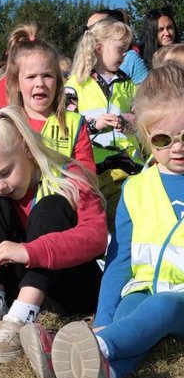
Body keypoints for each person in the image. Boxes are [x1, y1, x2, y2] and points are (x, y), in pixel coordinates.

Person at [21, 64, 184, 378]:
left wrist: (97, 336)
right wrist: (103, 318)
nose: (178, 147)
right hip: (142, 288)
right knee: (130, 318)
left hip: (179, 301)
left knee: (161, 308)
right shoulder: (135, 189)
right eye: (163, 139)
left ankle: (92, 348)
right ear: (145, 135)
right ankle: (103, 377)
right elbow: (120, 259)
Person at [0, 106, 107, 364]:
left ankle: (22, 314)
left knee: (51, 206)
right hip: (16, 287)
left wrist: (29, 251)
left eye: (4, 172)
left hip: (72, 287)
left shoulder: (68, 176)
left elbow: (96, 236)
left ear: (25, 146)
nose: (0, 185)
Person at [66, 19, 143, 229]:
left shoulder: (128, 84)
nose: (125, 54)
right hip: (96, 167)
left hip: (131, 165)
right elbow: (67, 123)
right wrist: (94, 124)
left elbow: (140, 120)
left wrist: (126, 123)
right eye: (120, 49)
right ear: (99, 48)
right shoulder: (75, 85)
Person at [6, 22, 95, 173]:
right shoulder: (8, 125)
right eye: (31, 77)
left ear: (58, 81)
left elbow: (87, 175)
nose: (40, 83)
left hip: (65, 196)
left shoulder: (75, 124)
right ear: (16, 83)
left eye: (47, 75)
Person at [86, 8, 148, 85]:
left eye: (94, 27)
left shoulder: (129, 58)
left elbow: (149, 93)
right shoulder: (83, 69)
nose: (88, 33)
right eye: (86, 29)